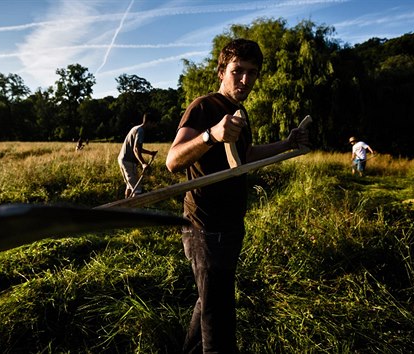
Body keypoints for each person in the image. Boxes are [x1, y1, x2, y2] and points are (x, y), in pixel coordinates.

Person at [166, 38, 309, 353]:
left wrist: (286, 144)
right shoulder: (204, 106)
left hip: (231, 224)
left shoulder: (240, 111)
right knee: (220, 316)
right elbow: (173, 161)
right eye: (237, 70)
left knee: (210, 300)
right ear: (221, 71)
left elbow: (245, 154)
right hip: (205, 227)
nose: (245, 80)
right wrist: (210, 135)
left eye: (252, 73)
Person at [117, 113, 158, 198]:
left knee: (129, 186)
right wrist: (143, 163)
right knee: (137, 189)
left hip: (123, 160)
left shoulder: (135, 128)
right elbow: (136, 149)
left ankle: (126, 207)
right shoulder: (141, 131)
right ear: (149, 122)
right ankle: (133, 209)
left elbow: (137, 148)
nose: (154, 126)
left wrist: (150, 152)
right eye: (154, 124)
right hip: (129, 162)